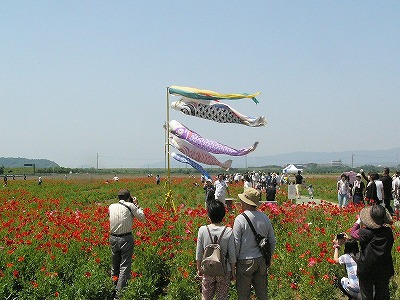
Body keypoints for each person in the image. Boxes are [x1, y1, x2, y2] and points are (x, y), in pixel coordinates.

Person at [233, 188, 276, 300]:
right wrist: (268, 257)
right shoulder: (264, 217)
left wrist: (234, 262)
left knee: (243, 295)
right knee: (262, 295)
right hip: (261, 259)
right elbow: (272, 240)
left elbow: (236, 243)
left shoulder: (240, 219)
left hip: (244, 261)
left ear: (245, 202)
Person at [350, 205, 394, 300]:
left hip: (367, 268)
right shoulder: (388, 232)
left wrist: (358, 222)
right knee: (382, 295)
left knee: (366, 295)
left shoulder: (364, 232)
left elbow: (352, 233)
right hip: (384, 268)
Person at [109, 189, 146, 299]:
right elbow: (142, 218)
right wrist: (137, 205)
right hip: (126, 238)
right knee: (124, 266)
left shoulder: (111, 206)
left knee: (114, 265)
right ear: (128, 198)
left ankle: (112, 288)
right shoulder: (131, 206)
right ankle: (119, 295)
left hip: (113, 238)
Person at [196, 200, 236, 300]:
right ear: (223, 215)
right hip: (224, 269)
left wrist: (199, 268)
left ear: (209, 214)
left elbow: (199, 252)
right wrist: (233, 271)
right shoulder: (229, 231)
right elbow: (232, 255)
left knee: (206, 296)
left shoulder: (203, 230)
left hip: (208, 268)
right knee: (222, 297)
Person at [332, 236, 361, 300]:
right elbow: (353, 244)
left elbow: (335, 260)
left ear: (346, 248)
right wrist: (349, 240)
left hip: (355, 287)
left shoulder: (345, 257)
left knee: (340, 280)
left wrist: (336, 246)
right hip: (365, 286)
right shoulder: (362, 255)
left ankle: (352, 296)